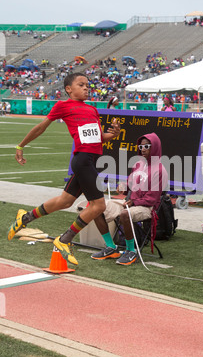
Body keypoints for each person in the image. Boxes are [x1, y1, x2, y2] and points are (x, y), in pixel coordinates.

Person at [7, 73, 120, 266]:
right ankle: (64, 239)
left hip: (91, 161)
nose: (86, 88)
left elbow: (98, 138)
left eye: (87, 85)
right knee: (99, 206)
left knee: (65, 201)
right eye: (81, 85)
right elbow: (41, 127)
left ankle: (25, 217)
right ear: (69, 89)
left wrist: (112, 134)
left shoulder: (92, 109)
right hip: (82, 160)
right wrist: (20, 146)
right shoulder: (63, 106)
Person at [91, 133, 167, 266]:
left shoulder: (160, 170)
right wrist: (123, 187)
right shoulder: (138, 164)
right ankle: (111, 247)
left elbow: (152, 199)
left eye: (147, 146)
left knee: (125, 214)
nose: (143, 149)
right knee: (97, 208)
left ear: (154, 147)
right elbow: (131, 185)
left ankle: (131, 251)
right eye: (141, 146)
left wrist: (134, 202)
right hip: (130, 203)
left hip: (147, 207)